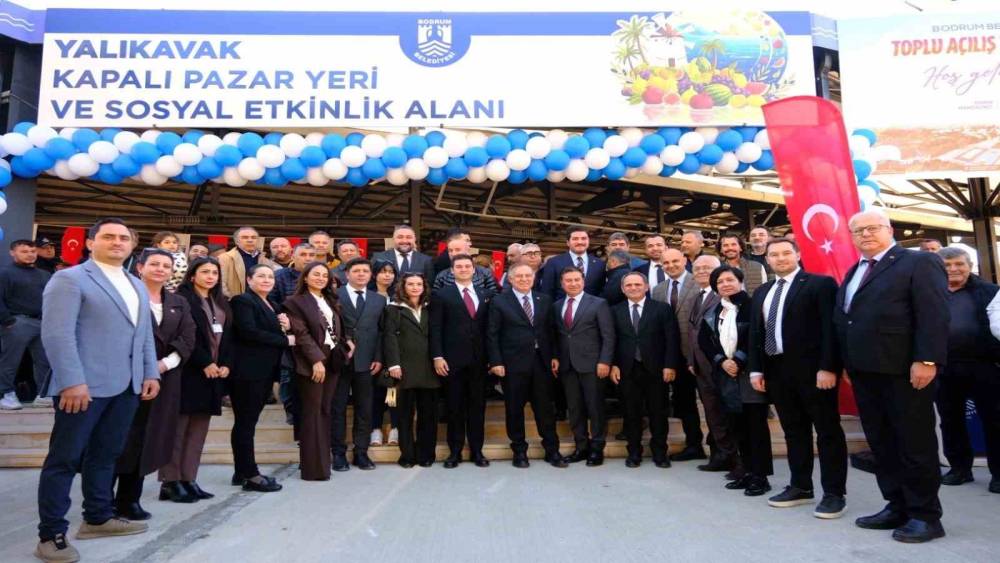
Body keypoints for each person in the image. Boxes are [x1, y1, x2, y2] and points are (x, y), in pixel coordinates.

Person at [36, 218, 159, 562]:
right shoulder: (69, 279)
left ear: (132, 245)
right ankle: (51, 534)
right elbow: (57, 334)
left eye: (123, 238)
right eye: (108, 237)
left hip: (127, 386)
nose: (117, 242)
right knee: (64, 459)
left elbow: (143, 335)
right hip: (83, 388)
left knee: (106, 454)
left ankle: (98, 516)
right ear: (91, 243)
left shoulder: (135, 284)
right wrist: (71, 381)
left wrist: (150, 372)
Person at [835, 209, 949, 543]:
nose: (865, 235)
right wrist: (847, 362)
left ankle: (925, 515)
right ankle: (897, 505)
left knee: (914, 444)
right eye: (858, 231)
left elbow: (934, 313)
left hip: (905, 372)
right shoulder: (855, 270)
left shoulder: (918, 262)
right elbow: (847, 319)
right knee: (882, 444)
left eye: (873, 228)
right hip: (865, 372)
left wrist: (926, 359)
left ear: (890, 229)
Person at [747, 238, 848, 519]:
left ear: (798, 255)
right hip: (777, 371)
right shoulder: (763, 291)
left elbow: (831, 329)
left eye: (786, 253)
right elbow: (755, 333)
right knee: (793, 431)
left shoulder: (820, 284)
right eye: (774, 254)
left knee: (827, 432)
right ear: (767, 259)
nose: (780, 258)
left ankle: (834, 494)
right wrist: (756, 370)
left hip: (815, 372)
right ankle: (801, 486)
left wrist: (829, 367)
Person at [113, 249, 196, 521]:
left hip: (165, 379)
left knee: (146, 440)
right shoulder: (126, 295)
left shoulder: (178, 302)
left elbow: (188, 337)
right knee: (118, 439)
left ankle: (129, 499)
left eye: (166, 266)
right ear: (140, 267)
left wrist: (165, 364)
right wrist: (146, 365)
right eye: (154, 264)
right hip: (126, 377)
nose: (161, 269)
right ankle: (102, 500)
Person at [162, 257, 233, 504]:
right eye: (205, 272)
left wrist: (225, 364)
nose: (210, 276)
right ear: (192, 275)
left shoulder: (220, 302)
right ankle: (170, 481)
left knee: (198, 430)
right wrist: (204, 362)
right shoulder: (181, 300)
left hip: (214, 374)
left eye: (214, 272)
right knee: (178, 429)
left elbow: (228, 337)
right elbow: (185, 336)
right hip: (188, 371)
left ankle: (189, 478)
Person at [699, 265, 773, 496]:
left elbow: (757, 336)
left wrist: (738, 360)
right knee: (737, 427)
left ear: (740, 281)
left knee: (756, 428)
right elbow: (705, 341)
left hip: (750, 375)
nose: (725, 284)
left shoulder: (753, 306)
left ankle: (760, 477)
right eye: (720, 282)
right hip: (727, 377)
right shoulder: (714, 311)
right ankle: (746, 472)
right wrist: (722, 361)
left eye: (729, 280)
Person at [487, 263, 566, 468]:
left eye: (527, 276)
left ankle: (552, 450)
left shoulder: (544, 300)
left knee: (545, 409)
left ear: (533, 278)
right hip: (512, 364)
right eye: (519, 276)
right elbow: (492, 334)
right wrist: (496, 361)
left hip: (541, 362)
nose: (524, 279)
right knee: (514, 409)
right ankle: (519, 451)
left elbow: (552, 331)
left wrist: (555, 355)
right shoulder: (499, 301)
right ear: (510, 279)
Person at [935, 247, 999, 494]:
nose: (953, 269)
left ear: (970, 266)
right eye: (947, 265)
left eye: (959, 264)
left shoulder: (990, 291)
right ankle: (959, 469)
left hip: (984, 366)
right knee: (950, 421)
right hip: (944, 367)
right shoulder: (929, 292)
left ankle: (999, 474)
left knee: (995, 420)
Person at [283, 262, 352, 481]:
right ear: (305, 277)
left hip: (332, 361)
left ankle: (323, 465)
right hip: (311, 363)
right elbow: (301, 334)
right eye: (316, 274)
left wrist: (346, 343)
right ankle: (313, 469)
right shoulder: (295, 302)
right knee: (312, 413)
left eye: (324, 275)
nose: (321, 278)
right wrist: (316, 360)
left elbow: (338, 329)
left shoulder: (329, 300)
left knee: (324, 411)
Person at [228, 264, 291, 493]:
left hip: (264, 371)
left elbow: (274, 330)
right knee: (245, 423)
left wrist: (286, 326)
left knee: (248, 422)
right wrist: (285, 340)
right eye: (261, 276)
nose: (266, 280)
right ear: (249, 279)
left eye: (270, 277)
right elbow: (248, 332)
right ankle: (250, 474)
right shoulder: (242, 301)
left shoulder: (273, 304)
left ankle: (241, 471)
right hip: (247, 371)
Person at [610, 272, 680, 469]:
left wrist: (670, 365)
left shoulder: (662, 309)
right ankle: (634, 453)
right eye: (629, 285)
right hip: (626, 369)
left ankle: (660, 453)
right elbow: (611, 339)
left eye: (637, 284)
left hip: (656, 369)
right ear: (623, 289)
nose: (633, 288)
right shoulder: (614, 310)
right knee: (631, 413)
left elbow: (671, 338)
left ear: (646, 287)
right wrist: (613, 364)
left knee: (658, 412)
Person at [431, 254, 491, 468]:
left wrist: (492, 358)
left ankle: (477, 451)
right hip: (452, 360)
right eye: (459, 266)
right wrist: (437, 356)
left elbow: (490, 329)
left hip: (480, 361)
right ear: (452, 270)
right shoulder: (441, 294)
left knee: (477, 407)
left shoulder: (485, 294)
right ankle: (454, 451)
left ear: (474, 270)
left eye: (467, 266)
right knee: (454, 407)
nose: (464, 269)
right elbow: (435, 328)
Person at [552, 266, 614, 466]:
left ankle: (597, 448)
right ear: (562, 284)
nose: (573, 283)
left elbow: (608, 335)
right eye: (568, 280)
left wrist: (605, 361)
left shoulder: (598, 303)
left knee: (595, 408)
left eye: (576, 280)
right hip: (567, 366)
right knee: (574, 408)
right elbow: (557, 335)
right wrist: (555, 357)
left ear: (583, 281)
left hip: (593, 365)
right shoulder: (556, 306)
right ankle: (581, 447)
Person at [651, 248, 705, 461]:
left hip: (698, 353)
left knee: (710, 402)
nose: (671, 265)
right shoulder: (658, 290)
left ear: (684, 260)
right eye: (666, 263)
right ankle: (694, 445)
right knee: (685, 402)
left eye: (675, 261)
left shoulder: (698, 283)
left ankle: (720, 447)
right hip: (672, 355)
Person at [333, 257, 386, 471]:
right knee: (337, 408)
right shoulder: (334, 295)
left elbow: (381, 332)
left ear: (371, 275)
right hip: (339, 359)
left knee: (365, 408)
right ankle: (338, 452)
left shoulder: (378, 299)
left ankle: (361, 452)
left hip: (367, 361)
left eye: (365, 271)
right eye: (356, 271)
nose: (361, 274)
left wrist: (379, 357)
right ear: (347, 274)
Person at [686, 255, 739, 473]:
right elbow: (693, 332)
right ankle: (722, 455)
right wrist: (692, 360)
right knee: (713, 413)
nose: (701, 271)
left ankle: (737, 459)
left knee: (729, 414)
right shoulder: (696, 297)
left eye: (707, 267)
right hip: (701, 367)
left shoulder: (725, 297)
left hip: (723, 366)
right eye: (697, 268)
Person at [382, 273, 440, 467]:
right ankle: (407, 456)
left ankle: (426, 455)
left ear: (424, 287)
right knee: (404, 416)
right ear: (403, 287)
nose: (415, 287)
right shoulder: (393, 309)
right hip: (403, 369)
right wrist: (394, 364)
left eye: (419, 284)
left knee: (428, 416)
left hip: (429, 369)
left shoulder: (431, 308)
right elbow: (389, 337)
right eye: (411, 284)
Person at [0, 240, 53, 410]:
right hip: (17, 322)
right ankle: (5, 394)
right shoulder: (5, 273)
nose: (30, 254)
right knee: (10, 361)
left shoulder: (44, 275)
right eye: (24, 251)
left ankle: (43, 395)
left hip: (42, 322)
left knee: (44, 360)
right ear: (12, 253)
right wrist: (7, 321)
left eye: (32, 251)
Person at [369, 259, 400, 447]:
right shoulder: (369, 295)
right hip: (373, 350)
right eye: (382, 271)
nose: (387, 275)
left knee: (393, 391)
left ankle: (395, 427)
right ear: (375, 274)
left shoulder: (399, 296)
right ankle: (375, 429)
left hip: (395, 352)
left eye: (390, 272)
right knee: (376, 393)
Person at [540, 227, 605, 301]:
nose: (580, 242)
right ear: (568, 242)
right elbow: (547, 291)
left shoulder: (600, 264)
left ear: (588, 241)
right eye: (575, 239)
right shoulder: (553, 262)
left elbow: (601, 290)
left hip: (592, 307)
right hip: (563, 307)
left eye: (583, 238)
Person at [433, 232, 500, 296]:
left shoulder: (485, 273)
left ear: (467, 250)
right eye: (450, 250)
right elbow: (435, 299)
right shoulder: (441, 276)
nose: (453, 253)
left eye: (457, 249)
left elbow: (494, 297)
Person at [218, 227, 276, 298]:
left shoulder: (266, 261)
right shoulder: (225, 258)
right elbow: (221, 284)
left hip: (259, 302)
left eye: (254, 237)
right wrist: (232, 300)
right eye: (245, 237)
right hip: (234, 301)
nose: (250, 240)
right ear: (236, 241)